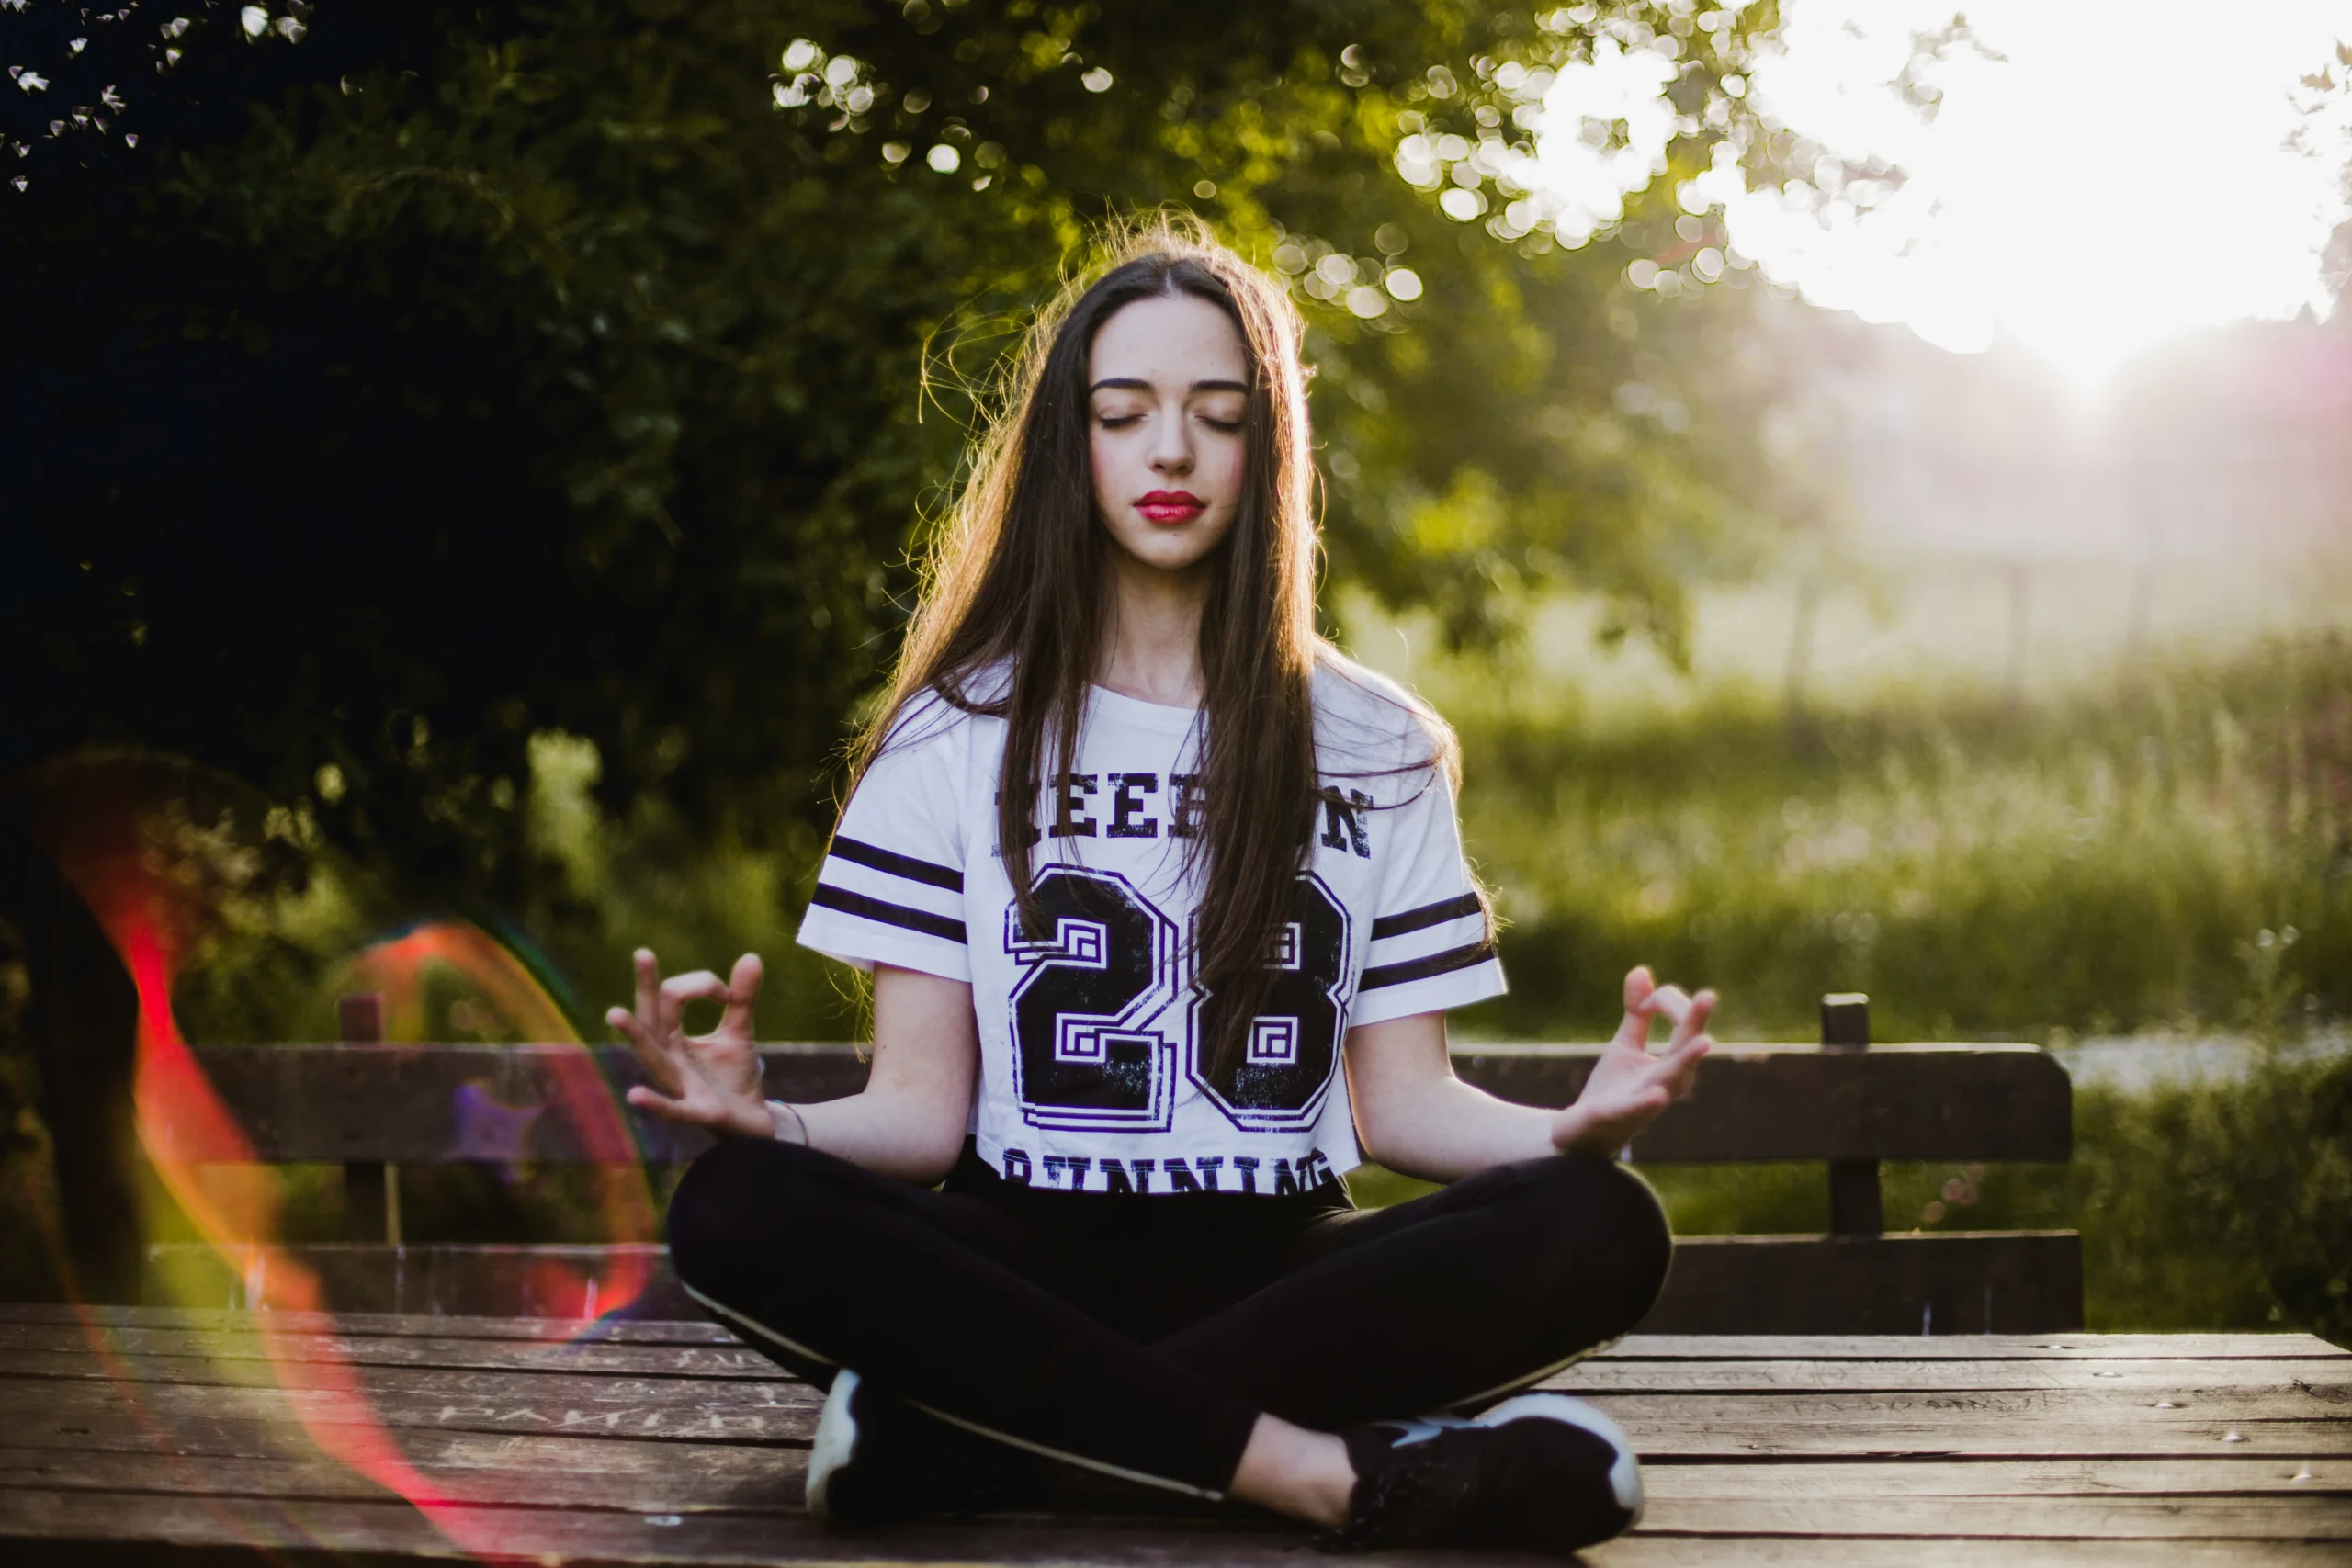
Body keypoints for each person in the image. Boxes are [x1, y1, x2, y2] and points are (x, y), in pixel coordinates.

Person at [609, 227, 1713, 1555]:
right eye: (1123, 414)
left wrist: (1571, 1129)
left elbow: (1404, 1104)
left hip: (1284, 1266)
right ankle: (1325, 1473)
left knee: (1603, 1223)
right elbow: (918, 1114)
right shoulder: (956, 729)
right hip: (1016, 1257)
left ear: (1270, 450)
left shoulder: (1374, 740)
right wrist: (768, 1124)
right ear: (1070, 448)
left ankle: (958, 1437)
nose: (1171, 453)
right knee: (734, 1205)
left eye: (1218, 416)